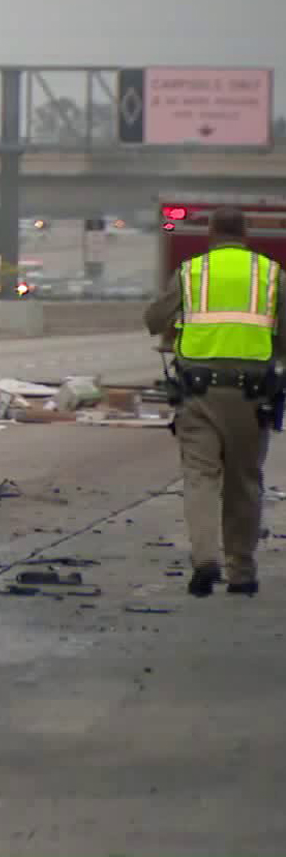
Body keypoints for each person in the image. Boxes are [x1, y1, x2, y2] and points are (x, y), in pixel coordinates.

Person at [144, 206, 282, 597]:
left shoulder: (191, 272)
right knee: (244, 483)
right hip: (252, 395)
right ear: (246, 232)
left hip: (199, 394)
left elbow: (154, 319)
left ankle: (205, 557)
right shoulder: (270, 274)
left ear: (210, 232)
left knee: (200, 478)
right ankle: (241, 572)